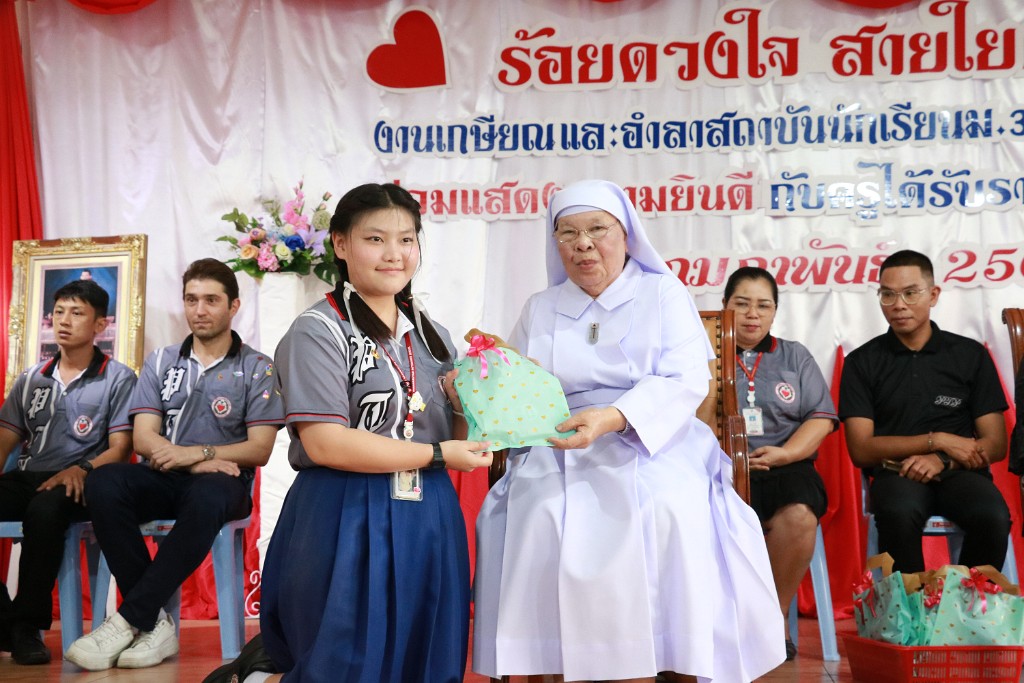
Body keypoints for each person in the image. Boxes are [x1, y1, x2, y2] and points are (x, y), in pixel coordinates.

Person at [472, 180, 785, 683]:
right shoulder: (541, 306)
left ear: (626, 234)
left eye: (598, 229)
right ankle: (548, 659)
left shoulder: (662, 293)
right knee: (535, 512)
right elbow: (521, 383)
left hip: (653, 435)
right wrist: (482, 379)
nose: (583, 244)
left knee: (669, 509)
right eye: (568, 233)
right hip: (560, 441)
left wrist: (614, 416)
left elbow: (687, 380)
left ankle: (664, 653)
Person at [204, 183, 492, 683]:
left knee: (428, 659)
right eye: (376, 239)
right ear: (340, 244)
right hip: (347, 512)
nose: (394, 254)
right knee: (346, 662)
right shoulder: (318, 330)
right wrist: (439, 455)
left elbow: (452, 432)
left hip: (428, 514)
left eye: (407, 239)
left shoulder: (435, 336)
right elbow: (324, 442)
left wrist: (472, 403)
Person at [64, 258, 284, 671]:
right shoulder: (162, 360)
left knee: (209, 493)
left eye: (211, 300)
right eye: (191, 299)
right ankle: (153, 621)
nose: (199, 310)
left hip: (225, 485)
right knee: (105, 482)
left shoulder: (257, 366)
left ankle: (130, 618)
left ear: (233, 306)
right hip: (166, 475)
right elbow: (144, 438)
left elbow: (260, 449)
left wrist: (197, 455)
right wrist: (188, 461)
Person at [839, 249, 1011, 573]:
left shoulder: (969, 354)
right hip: (896, 474)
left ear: (933, 295)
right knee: (898, 512)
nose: (898, 304)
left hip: (960, 472)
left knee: (992, 515)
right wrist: (937, 440)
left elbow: (996, 443)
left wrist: (942, 458)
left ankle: (967, 603)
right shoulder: (862, 362)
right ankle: (911, 604)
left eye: (910, 293)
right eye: (887, 294)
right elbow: (861, 449)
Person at [0, 280, 135, 665]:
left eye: (76, 313)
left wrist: (83, 468)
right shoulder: (31, 378)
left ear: (100, 325)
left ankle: (27, 627)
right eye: (58, 312)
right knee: (33, 500)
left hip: (83, 480)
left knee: (45, 512)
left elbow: (121, 448)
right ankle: (5, 619)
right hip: (30, 476)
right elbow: (5, 440)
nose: (64, 320)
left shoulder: (118, 377)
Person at [722, 266, 837, 660]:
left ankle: (772, 619)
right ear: (724, 305)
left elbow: (821, 418)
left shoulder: (794, 356)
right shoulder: (702, 354)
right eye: (742, 304)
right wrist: (726, 459)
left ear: (774, 311)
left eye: (763, 306)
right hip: (718, 466)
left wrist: (785, 453)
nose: (752, 314)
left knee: (800, 514)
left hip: (784, 463)